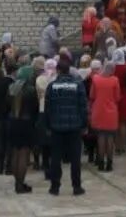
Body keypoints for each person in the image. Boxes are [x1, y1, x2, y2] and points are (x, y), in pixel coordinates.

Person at [43, 54, 89, 196]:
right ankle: (76, 186)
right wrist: (84, 124)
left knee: (56, 158)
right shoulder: (78, 85)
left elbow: (48, 108)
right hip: (74, 126)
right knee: (75, 159)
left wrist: (48, 126)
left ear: (58, 70)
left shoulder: (52, 86)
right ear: (69, 70)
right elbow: (83, 107)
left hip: (57, 127)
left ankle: (54, 187)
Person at [7, 62, 40, 193]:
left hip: (12, 122)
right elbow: (35, 109)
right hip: (26, 123)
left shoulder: (11, 87)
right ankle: (20, 184)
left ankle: (17, 183)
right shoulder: (31, 89)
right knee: (24, 155)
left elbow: (6, 105)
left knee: (15, 153)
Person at [89, 59, 121, 171]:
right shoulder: (115, 80)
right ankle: (110, 163)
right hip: (111, 112)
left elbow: (92, 95)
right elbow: (117, 97)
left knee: (101, 137)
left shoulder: (96, 79)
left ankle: (101, 162)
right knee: (110, 138)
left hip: (99, 111)